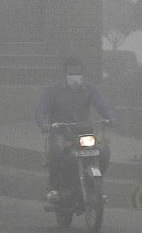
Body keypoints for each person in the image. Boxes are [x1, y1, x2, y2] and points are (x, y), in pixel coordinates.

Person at [34, 56, 115, 203]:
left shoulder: (89, 89)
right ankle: (54, 188)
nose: (75, 77)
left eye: (78, 73)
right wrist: (44, 124)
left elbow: (103, 105)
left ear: (82, 73)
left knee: (103, 151)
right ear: (65, 74)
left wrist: (110, 118)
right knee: (58, 149)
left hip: (83, 132)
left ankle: (95, 185)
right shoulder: (54, 90)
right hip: (60, 133)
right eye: (72, 73)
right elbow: (41, 109)